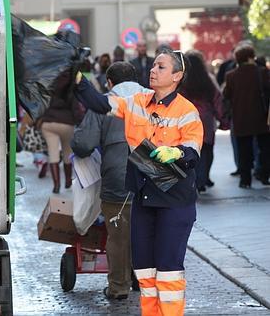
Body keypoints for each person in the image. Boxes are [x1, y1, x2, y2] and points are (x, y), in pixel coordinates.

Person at [75, 49, 203, 315]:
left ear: (177, 76)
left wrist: (177, 152)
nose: (153, 70)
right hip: (144, 196)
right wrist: (77, 78)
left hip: (174, 201)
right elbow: (100, 104)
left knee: (168, 271)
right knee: (145, 270)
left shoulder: (187, 111)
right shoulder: (136, 101)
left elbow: (193, 150)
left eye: (161, 67)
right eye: (154, 65)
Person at [71, 62, 151, 301]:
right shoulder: (154, 99)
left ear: (109, 83)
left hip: (119, 178)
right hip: (154, 178)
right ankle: (146, 282)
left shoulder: (104, 103)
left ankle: (119, 287)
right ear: (136, 79)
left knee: (118, 235)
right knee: (149, 231)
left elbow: (83, 144)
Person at [179, 50, 228, 192]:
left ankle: (194, 180)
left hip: (187, 119)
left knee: (189, 150)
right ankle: (203, 178)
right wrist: (223, 120)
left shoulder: (182, 82)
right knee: (207, 150)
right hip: (205, 120)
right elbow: (217, 101)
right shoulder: (207, 81)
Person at [222, 44, 270, 188]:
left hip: (241, 118)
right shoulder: (262, 72)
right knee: (265, 148)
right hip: (262, 117)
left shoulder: (231, 75)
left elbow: (226, 95)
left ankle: (245, 180)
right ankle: (264, 174)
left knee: (244, 150)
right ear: (251, 57)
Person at [38, 70, 80, 193]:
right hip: (67, 123)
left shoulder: (49, 85)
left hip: (49, 122)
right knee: (68, 152)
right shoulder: (72, 88)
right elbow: (76, 108)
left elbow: (42, 104)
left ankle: (56, 185)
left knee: (53, 153)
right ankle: (68, 181)